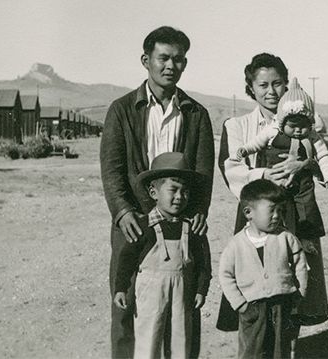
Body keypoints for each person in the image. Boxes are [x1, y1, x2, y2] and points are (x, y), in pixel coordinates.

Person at [100, 26, 215, 359]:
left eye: (179, 60)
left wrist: (197, 214)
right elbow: (112, 169)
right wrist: (123, 212)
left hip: (182, 223)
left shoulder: (196, 114)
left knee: (183, 309)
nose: (170, 66)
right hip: (134, 225)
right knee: (127, 307)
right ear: (145, 60)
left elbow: (203, 175)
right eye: (163, 58)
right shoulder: (122, 110)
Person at [217, 54, 328, 343]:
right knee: (254, 292)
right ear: (251, 88)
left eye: (278, 83)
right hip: (258, 216)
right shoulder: (237, 125)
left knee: (292, 291)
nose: (271, 92)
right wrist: (267, 174)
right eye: (263, 85)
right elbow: (233, 170)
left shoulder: (305, 120)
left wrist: (304, 165)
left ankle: (289, 350)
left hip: (299, 213)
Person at [113, 152, 211, 359]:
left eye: (185, 192)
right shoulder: (143, 227)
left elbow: (203, 263)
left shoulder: (192, 229)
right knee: (148, 338)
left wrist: (202, 289)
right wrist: (121, 288)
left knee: (180, 340)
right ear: (154, 192)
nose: (179, 197)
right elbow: (126, 259)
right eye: (173, 190)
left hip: (182, 293)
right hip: (150, 294)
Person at [219, 179, 308, 358]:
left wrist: (300, 292)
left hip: (282, 304)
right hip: (252, 308)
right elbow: (225, 275)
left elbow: (301, 265)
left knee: (279, 349)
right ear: (248, 212)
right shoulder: (236, 244)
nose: (277, 215)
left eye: (280, 211)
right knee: (252, 350)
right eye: (271, 210)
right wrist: (241, 304)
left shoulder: (285, 237)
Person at [235, 77, 328, 191]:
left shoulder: (313, 137)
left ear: (310, 124)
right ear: (282, 123)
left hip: (303, 184)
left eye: (303, 126)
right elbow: (257, 142)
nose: (298, 130)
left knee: (308, 208)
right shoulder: (272, 130)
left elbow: (324, 157)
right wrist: (246, 149)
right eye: (293, 126)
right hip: (275, 180)